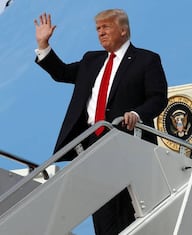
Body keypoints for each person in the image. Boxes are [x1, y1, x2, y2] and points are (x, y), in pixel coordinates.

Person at [34, 9, 168, 235]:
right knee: (101, 210)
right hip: (90, 146)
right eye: (98, 28)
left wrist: (137, 114)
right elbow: (62, 73)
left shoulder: (147, 60)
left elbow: (157, 98)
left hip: (126, 143)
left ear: (123, 30)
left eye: (106, 27)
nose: (100, 33)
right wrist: (43, 45)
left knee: (128, 210)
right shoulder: (91, 60)